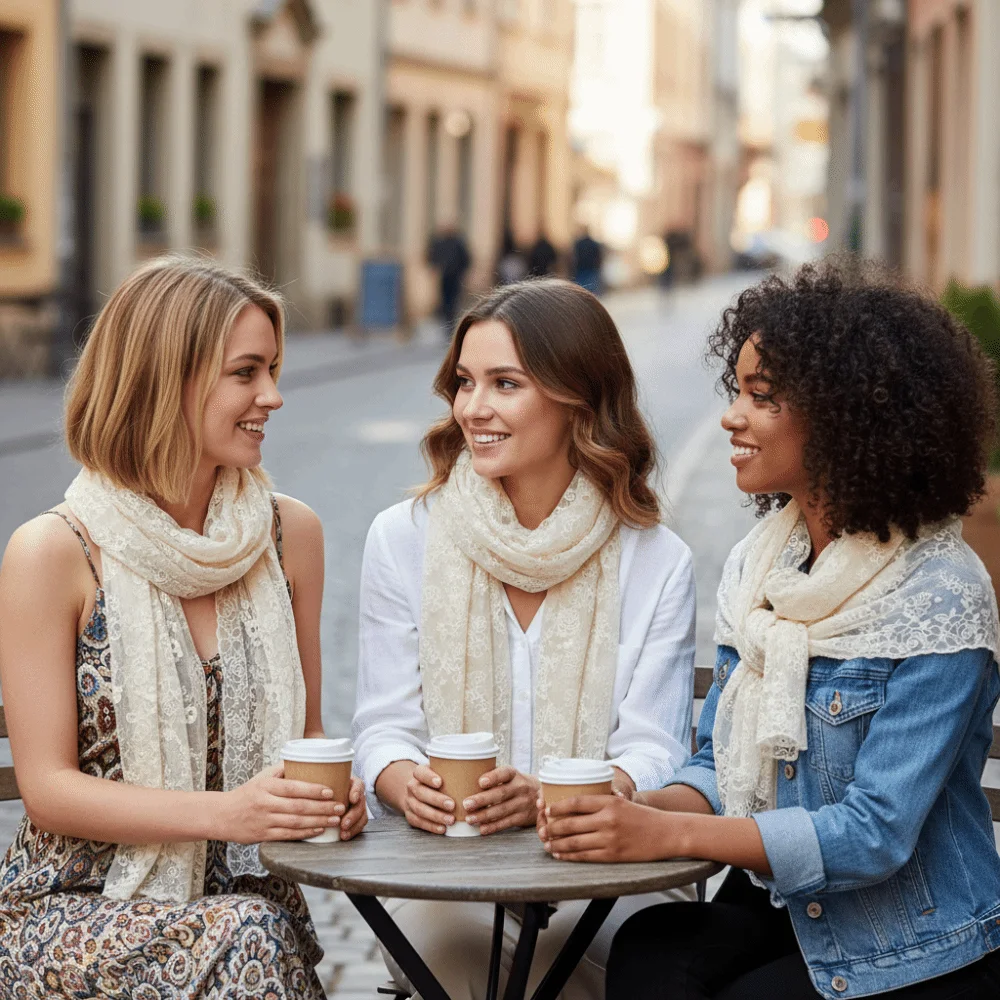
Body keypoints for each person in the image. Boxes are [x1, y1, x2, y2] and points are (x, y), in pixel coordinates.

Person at [539, 259, 1000, 999]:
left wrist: (670, 836)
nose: (731, 416)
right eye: (737, 392)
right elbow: (718, 766)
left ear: (847, 416)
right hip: (781, 906)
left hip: (909, 944)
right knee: (649, 954)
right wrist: (630, 811)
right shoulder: (764, 568)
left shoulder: (938, 594)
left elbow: (874, 832)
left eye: (762, 397)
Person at [0, 256, 368, 999]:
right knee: (250, 941)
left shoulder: (290, 535)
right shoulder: (56, 552)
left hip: (246, 908)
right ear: (167, 380)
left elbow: (310, 734)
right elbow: (47, 790)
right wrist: (228, 813)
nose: (274, 395)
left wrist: (336, 794)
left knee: (250, 936)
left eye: (273, 369)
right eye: (246, 373)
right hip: (75, 911)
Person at [352, 277, 697, 999]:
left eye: (505, 383)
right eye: (465, 382)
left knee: (593, 957)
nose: (473, 408)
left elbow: (657, 751)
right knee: (459, 953)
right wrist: (403, 783)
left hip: (610, 868)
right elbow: (383, 726)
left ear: (579, 397)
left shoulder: (655, 558)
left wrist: (553, 798)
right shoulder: (403, 538)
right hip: (448, 867)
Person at [428, 224, 472, 336]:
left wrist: (462, 271)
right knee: (446, 301)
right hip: (445, 276)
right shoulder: (442, 243)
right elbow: (432, 256)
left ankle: (449, 324)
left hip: (454, 277)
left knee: (452, 301)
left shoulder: (457, 244)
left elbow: (465, 259)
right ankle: (447, 324)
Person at [571, 230, 603, 295]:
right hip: (591, 267)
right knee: (592, 287)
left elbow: (573, 256)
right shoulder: (593, 244)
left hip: (581, 268)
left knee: (582, 287)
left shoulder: (578, 244)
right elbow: (598, 256)